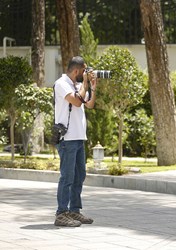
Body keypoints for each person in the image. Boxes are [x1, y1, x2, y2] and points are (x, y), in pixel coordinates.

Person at [53, 56, 98, 227]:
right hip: (67, 138)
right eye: (84, 71)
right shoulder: (61, 83)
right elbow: (76, 102)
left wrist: (93, 87)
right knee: (67, 177)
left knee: (79, 176)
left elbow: (89, 104)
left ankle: (74, 211)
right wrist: (85, 84)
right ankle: (61, 213)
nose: (85, 74)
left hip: (79, 138)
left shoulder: (78, 85)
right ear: (77, 71)